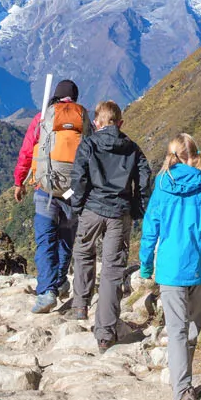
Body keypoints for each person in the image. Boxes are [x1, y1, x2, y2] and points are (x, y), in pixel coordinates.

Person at [138, 133, 201, 400]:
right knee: (192, 329)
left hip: (170, 269)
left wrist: (145, 265)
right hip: (198, 266)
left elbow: (150, 228)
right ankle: (184, 382)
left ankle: (184, 391)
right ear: (194, 156)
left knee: (176, 329)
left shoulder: (162, 186)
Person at [68, 101, 153, 349]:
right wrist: (137, 209)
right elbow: (144, 180)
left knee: (83, 252)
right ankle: (105, 334)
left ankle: (80, 305)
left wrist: (78, 206)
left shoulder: (89, 144)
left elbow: (79, 178)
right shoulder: (132, 148)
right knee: (112, 270)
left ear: (97, 122)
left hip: (92, 209)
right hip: (119, 213)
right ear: (120, 123)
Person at [13, 79, 92, 313]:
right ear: (75, 98)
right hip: (73, 191)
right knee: (66, 239)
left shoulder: (42, 118)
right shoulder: (83, 119)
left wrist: (19, 182)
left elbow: (27, 152)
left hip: (45, 188)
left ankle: (47, 291)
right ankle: (58, 281)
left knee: (45, 241)